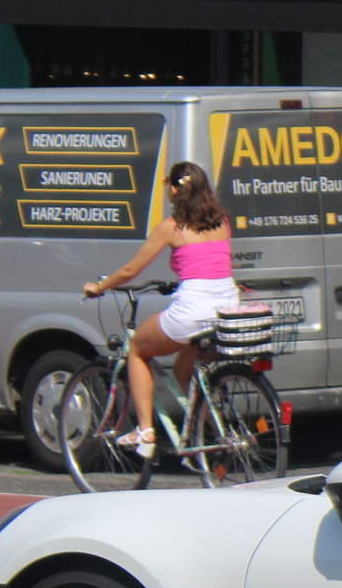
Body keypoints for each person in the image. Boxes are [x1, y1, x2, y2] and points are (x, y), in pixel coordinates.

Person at [82, 162, 236, 459]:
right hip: (226, 309)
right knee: (183, 371)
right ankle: (220, 433)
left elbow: (129, 271)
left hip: (193, 310)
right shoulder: (222, 223)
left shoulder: (171, 227)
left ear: (176, 189)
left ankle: (144, 430)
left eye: (169, 183)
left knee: (138, 349)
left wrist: (100, 287)